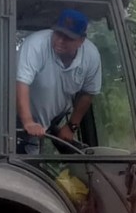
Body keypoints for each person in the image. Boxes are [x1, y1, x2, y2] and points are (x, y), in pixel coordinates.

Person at [16, 9, 102, 154]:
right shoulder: (35, 45)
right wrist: (28, 122)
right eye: (58, 34)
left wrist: (71, 126)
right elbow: (21, 83)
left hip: (54, 118)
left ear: (81, 40)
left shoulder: (91, 57)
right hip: (17, 116)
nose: (60, 41)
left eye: (68, 38)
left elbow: (88, 93)